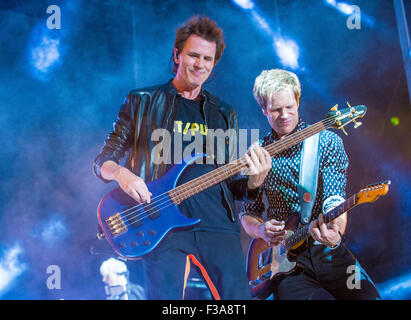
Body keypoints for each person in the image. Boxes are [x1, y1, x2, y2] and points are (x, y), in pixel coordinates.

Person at [93, 15, 271, 300]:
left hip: (217, 224)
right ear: (177, 55)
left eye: (208, 59)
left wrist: (255, 180)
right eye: (193, 55)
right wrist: (123, 175)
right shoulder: (143, 101)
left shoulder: (224, 113)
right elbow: (104, 160)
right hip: (163, 223)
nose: (200, 64)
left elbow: (233, 186)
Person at [240, 69, 381, 300]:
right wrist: (261, 230)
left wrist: (336, 230)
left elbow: (335, 197)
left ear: (298, 101)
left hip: (327, 248)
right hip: (283, 261)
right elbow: (248, 213)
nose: (284, 115)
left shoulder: (327, 141)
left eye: (289, 107)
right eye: (275, 109)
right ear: (264, 110)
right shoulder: (257, 154)